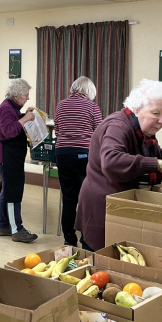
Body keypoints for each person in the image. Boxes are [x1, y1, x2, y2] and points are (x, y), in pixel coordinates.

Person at [75, 79, 162, 252]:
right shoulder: (118, 126)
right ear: (136, 108)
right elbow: (112, 161)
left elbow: (153, 153)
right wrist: (159, 164)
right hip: (102, 206)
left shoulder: (139, 130)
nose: (161, 121)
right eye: (156, 113)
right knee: (99, 259)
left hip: (120, 203)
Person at [54, 76, 103, 247]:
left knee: (68, 199)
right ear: (89, 91)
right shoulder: (92, 106)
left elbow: (57, 131)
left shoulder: (60, 105)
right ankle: (86, 239)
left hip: (62, 154)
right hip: (83, 156)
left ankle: (69, 239)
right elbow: (100, 132)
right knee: (86, 199)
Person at [0, 78, 39, 243]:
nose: (27, 98)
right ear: (16, 95)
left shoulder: (12, 107)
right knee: (12, 192)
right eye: (25, 95)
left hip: (10, 156)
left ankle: (3, 226)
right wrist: (25, 119)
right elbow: (9, 131)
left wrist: (24, 115)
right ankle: (17, 229)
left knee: (8, 190)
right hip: (5, 156)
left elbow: (13, 122)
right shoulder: (6, 108)